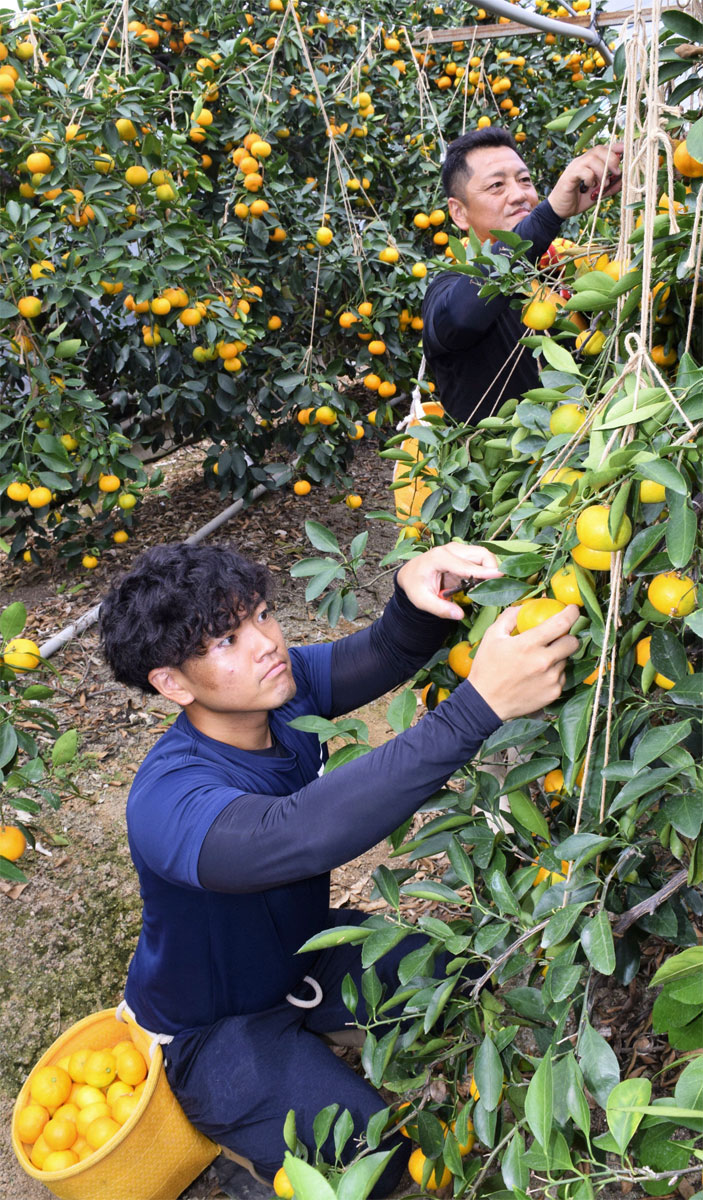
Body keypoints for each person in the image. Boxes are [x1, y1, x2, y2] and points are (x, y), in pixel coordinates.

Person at [99, 540, 579, 1197]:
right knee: (376, 1161)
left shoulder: (283, 695)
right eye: (226, 640)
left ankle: (328, 1036)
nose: (265, 642)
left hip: (302, 958)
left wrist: (416, 597)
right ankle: (251, 1152)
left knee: (467, 982)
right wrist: (477, 707)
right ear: (172, 683)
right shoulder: (168, 798)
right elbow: (298, 835)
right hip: (209, 1033)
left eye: (262, 615)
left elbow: (384, 651)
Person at [422, 127, 623, 424]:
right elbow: (461, 317)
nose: (520, 194)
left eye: (524, 180)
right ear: (459, 213)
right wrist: (549, 215)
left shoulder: (562, 275)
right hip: (500, 465)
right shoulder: (447, 289)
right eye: (496, 186)